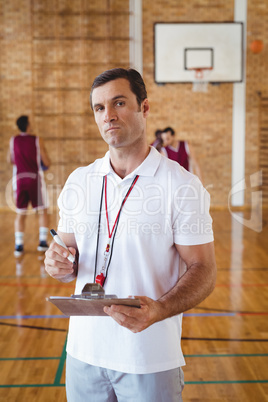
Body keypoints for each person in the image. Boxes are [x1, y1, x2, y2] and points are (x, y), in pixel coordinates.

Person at [44, 68, 217, 402]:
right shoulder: (79, 181)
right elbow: (64, 254)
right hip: (83, 355)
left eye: (119, 103)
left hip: (148, 358)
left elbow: (204, 270)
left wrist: (159, 309)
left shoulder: (182, 186)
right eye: (99, 108)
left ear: (145, 108)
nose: (108, 115)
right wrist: (57, 262)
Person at [8, 115, 51, 257]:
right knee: (43, 211)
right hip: (34, 180)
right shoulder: (37, 140)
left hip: (19, 180)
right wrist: (44, 163)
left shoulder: (13, 140)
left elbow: (10, 159)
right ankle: (42, 243)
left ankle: (18, 245)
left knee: (21, 213)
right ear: (27, 125)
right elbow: (47, 161)